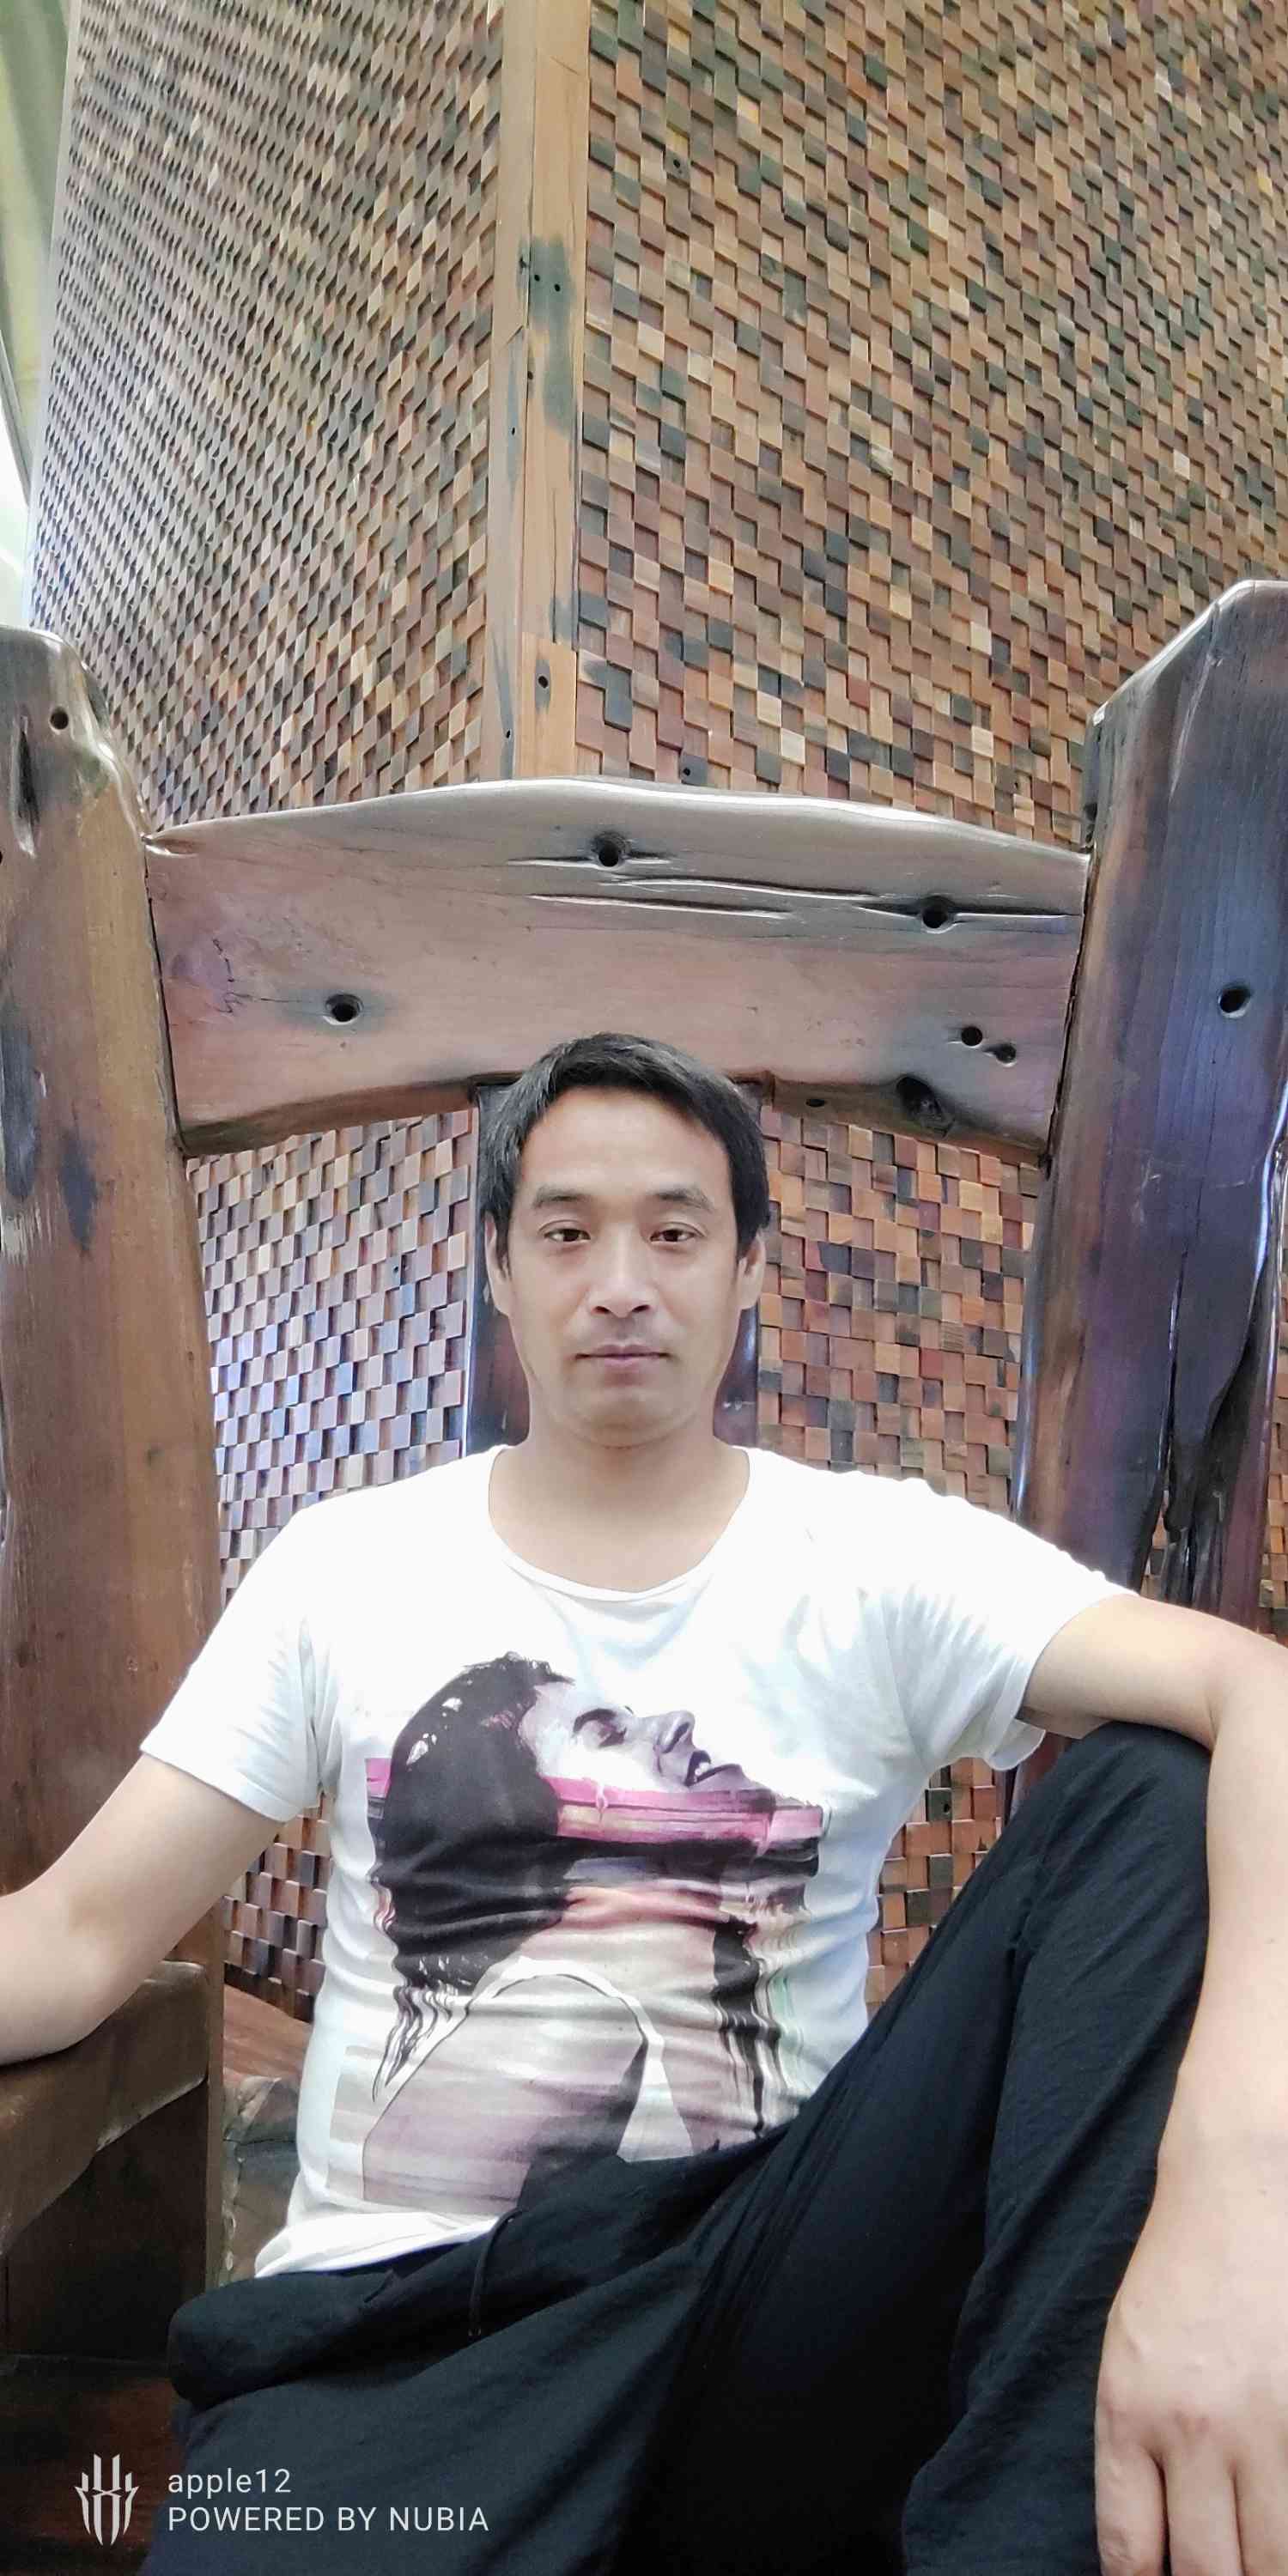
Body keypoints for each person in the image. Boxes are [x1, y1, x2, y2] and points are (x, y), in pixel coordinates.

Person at [3, 1030, 1287, 2576]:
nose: (621, 1283)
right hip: (407, 2343)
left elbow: (1261, 1696)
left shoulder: (877, 1560)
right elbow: (75, 1935)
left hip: (757, 2313)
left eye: (675, 1233)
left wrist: (1235, 2197)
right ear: (499, 1266)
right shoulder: (348, 1567)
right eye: (567, 1232)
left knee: (1163, 1786)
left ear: (749, 1269)